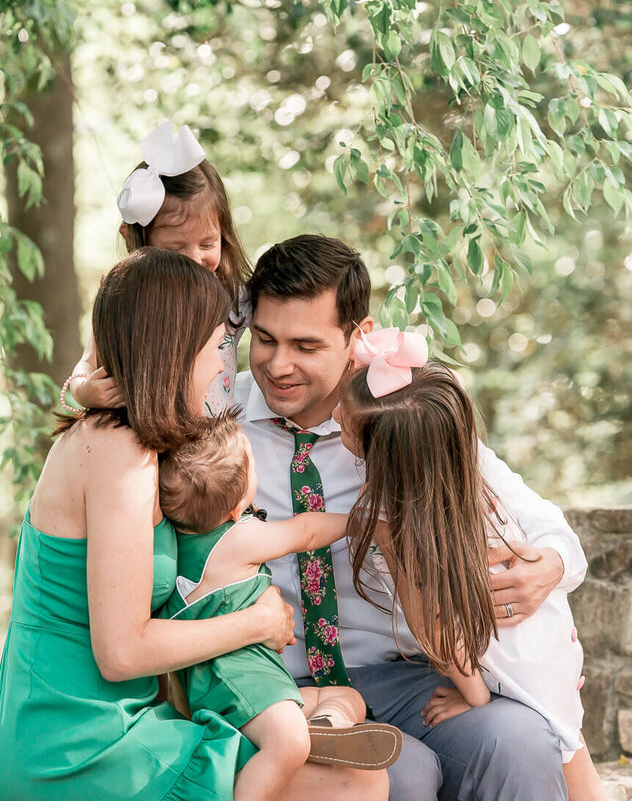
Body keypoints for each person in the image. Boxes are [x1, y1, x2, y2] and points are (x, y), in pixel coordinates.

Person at [0, 248, 387, 801]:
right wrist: (258, 621)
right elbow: (121, 652)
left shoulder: (136, 442)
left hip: (113, 721)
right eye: (215, 345)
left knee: (346, 765)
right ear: (176, 350)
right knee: (351, 785)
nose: (224, 365)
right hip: (75, 743)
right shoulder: (116, 454)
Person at [236, 234, 589, 800]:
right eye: (265, 339)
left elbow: (549, 528)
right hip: (283, 683)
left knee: (517, 740)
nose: (278, 365)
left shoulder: (402, 422)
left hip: (405, 676)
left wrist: (549, 565)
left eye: (305, 344)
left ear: (359, 336)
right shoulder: (218, 422)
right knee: (402, 773)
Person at [336, 345, 609, 801]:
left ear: (381, 454)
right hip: (545, 638)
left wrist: (475, 697)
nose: (337, 421)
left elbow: (438, 633)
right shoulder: (458, 468)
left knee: (575, 770)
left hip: (512, 657)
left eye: (344, 424)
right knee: (575, 755)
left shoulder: (394, 521)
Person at [158, 411, 403, 800]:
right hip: (240, 678)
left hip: (229, 683)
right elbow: (306, 531)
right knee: (288, 744)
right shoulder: (239, 540)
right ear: (236, 508)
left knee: (343, 697)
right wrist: (359, 522)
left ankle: (327, 724)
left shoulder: (176, 543)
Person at [66, 122, 250, 417]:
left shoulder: (235, 296)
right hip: (153, 445)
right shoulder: (125, 301)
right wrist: (83, 390)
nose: (193, 259)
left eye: (207, 243)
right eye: (175, 250)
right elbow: (87, 362)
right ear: (136, 242)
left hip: (217, 446)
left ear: (223, 235)